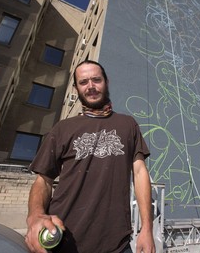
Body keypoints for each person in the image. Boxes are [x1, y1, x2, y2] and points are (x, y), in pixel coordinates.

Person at [25, 60, 155, 253]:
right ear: (76, 88)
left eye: (96, 80)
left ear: (106, 82)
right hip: (63, 240)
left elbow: (139, 172)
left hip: (117, 244)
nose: (91, 86)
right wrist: (35, 215)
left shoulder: (128, 124)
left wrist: (147, 228)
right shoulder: (63, 128)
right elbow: (43, 181)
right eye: (84, 82)